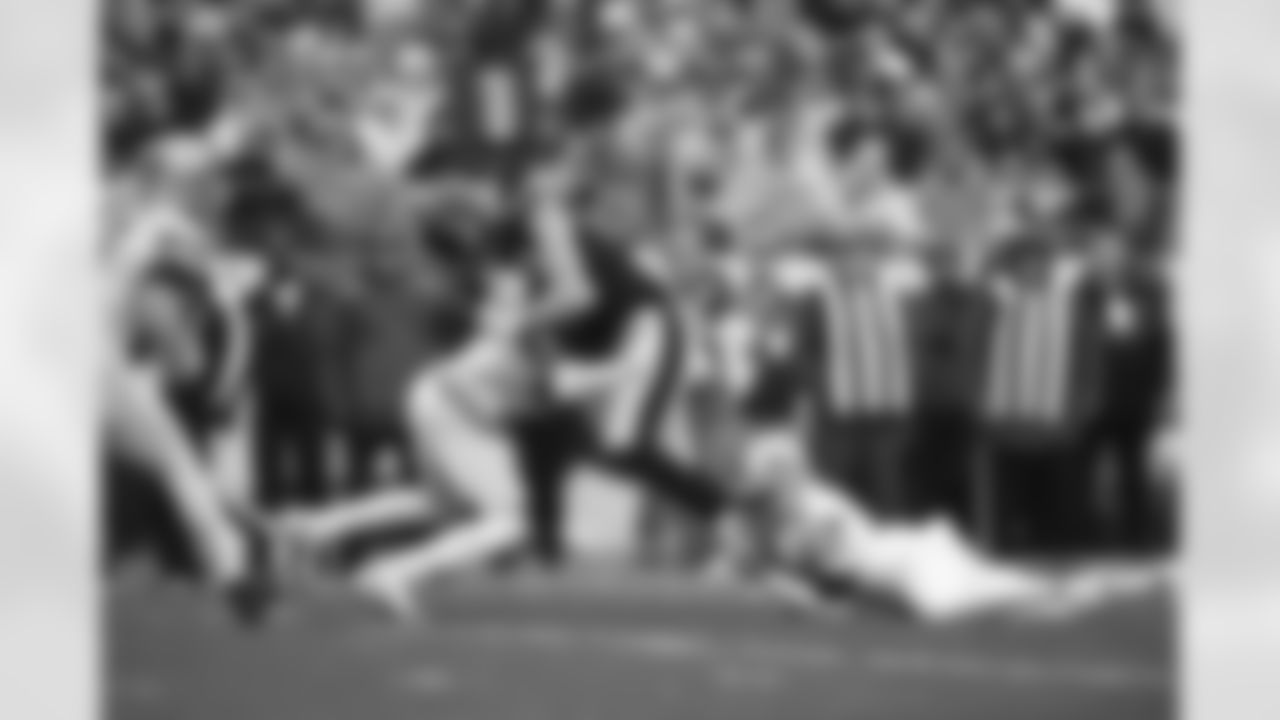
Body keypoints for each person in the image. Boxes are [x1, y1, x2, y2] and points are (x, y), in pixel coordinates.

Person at [737, 428, 1168, 625]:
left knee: (947, 608)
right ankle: (1123, 581)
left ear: (787, 473)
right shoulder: (789, 514)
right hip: (909, 560)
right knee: (1030, 605)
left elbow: (835, 588)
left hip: (911, 560)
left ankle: (1114, 581)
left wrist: (779, 580)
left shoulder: (817, 506)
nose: (762, 491)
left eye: (768, 478)